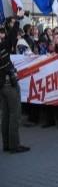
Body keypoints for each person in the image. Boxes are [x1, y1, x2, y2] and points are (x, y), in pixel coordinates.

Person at [1, 9, 30, 153]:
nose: (2, 34)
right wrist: (18, 19)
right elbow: (12, 38)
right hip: (8, 84)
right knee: (14, 114)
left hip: (2, 85)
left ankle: (6, 144)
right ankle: (14, 145)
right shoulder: (2, 47)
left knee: (5, 114)